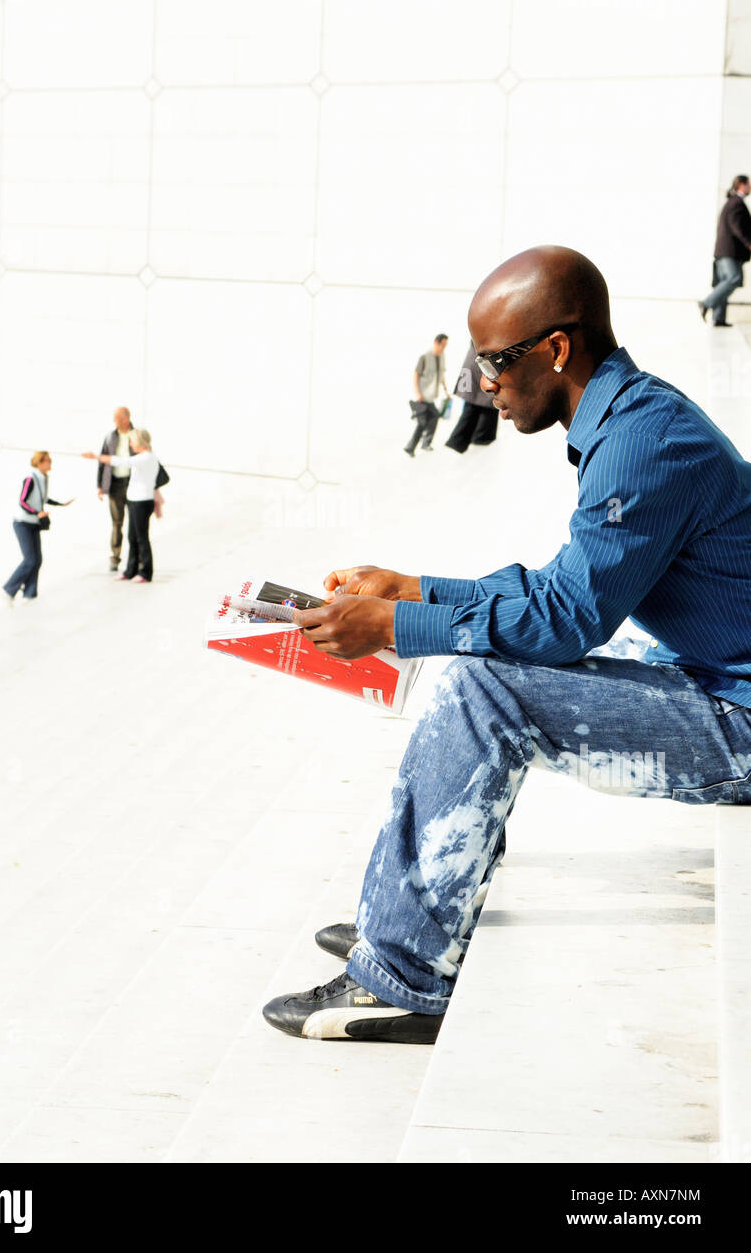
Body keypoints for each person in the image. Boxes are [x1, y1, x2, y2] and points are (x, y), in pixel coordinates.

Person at [261, 245, 751, 1044]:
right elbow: (559, 593)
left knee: (484, 689)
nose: (484, 383)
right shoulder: (631, 420)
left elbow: (562, 622)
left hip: (740, 718)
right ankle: (418, 909)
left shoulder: (642, 446)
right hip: (710, 675)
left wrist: (392, 627)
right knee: (492, 666)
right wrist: (414, 590)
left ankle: (402, 974)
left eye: (495, 360)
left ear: (557, 349)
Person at [82, 428, 158, 583]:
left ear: (139, 442)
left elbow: (123, 461)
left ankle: (146, 572)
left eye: (132, 441)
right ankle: (130, 570)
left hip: (141, 502)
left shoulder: (146, 457)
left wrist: (97, 457)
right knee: (132, 537)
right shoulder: (143, 457)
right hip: (135, 501)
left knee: (141, 538)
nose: (130, 444)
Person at [2, 451, 74, 604]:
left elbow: (43, 498)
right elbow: (22, 501)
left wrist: (61, 504)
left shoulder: (44, 478)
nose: (50, 463)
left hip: (34, 523)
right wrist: (36, 512)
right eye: (48, 460)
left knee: (37, 559)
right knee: (29, 559)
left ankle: (30, 593)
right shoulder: (30, 478)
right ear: (39, 463)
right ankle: (9, 589)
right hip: (23, 523)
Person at [698, 175, 751, 327]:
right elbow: (737, 226)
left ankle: (718, 318)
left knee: (723, 281)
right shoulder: (736, 202)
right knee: (733, 278)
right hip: (729, 251)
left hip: (723, 251)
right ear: (742, 185)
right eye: (749, 184)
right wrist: (748, 243)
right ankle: (706, 303)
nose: (750, 188)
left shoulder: (732, 201)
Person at [97, 407, 135, 571]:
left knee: (134, 522)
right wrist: (100, 485)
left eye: (117, 418)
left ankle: (135, 557)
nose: (115, 421)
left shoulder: (137, 435)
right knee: (117, 522)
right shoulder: (110, 437)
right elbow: (102, 460)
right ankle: (115, 556)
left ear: (126, 418)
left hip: (134, 483)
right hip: (115, 484)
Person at [444, 340, 498, 453]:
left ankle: (475, 439)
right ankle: (475, 439)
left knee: (480, 405)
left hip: (478, 368)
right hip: (479, 369)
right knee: (478, 405)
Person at [404, 334, 449, 456]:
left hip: (431, 397)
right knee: (422, 423)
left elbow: (441, 374)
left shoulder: (442, 356)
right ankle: (410, 446)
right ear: (436, 342)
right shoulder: (424, 357)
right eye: (442, 344)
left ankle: (425, 443)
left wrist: (445, 390)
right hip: (422, 396)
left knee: (434, 417)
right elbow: (416, 374)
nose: (444, 347)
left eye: (446, 345)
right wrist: (418, 393)